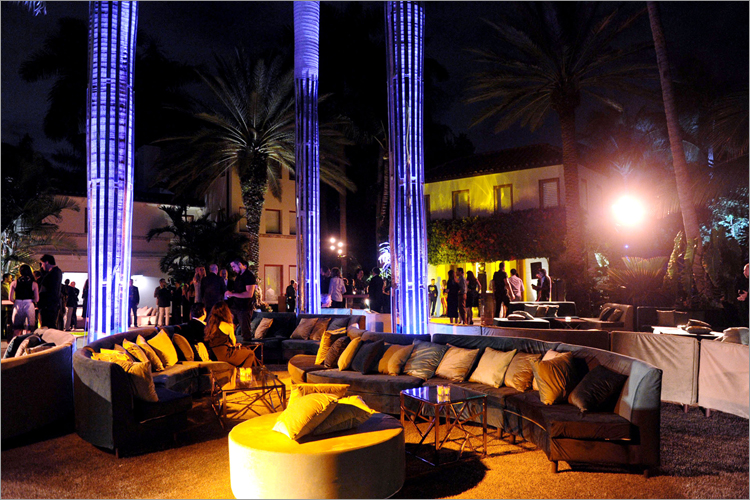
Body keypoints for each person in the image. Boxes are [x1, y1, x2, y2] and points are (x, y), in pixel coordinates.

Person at [204, 301, 256, 368]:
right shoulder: (228, 325)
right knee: (250, 353)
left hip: (214, 355)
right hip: (226, 356)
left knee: (245, 350)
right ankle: (244, 372)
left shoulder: (210, 326)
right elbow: (233, 343)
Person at [224, 258, 257, 341]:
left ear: (239, 264)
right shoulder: (239, 276)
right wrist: (231, 292)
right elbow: (239, 290)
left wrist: (232, 294)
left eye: (234, 266)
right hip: (235, 306)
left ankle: (247, 346)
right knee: (229, 326)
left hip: (244, 308)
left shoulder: (249, 276)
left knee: (245, 331)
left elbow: (249, 294)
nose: (233, 269)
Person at [9, 265, 39, 337]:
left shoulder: (14, 283)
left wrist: (15, 301)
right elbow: (37, 299)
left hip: (17, 304)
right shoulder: (34, 283)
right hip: (29, 304)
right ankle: (26, 342)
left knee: (17, 328)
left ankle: (16, 342)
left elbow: (10, 298)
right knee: (29, 328)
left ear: (20, 272)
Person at [38, 254, 63, 328]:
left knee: (48, 325)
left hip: (49, 304)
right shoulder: (57, 272)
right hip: (51, 303)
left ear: (47, 262)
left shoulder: (53, 273)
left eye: (42, 264)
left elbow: (44, 284)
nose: (42, 266)